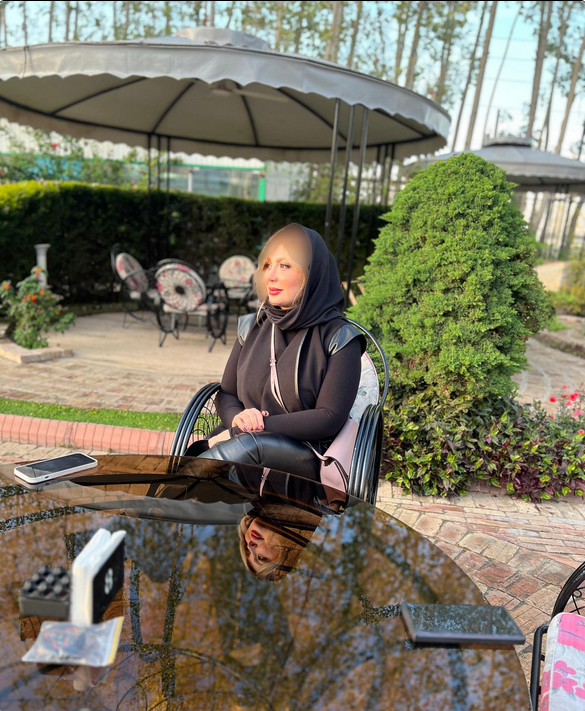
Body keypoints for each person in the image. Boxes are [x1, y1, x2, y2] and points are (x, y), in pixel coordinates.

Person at [188, 223, 366, 482]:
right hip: (236, 447)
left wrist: (256, 427)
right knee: (219, 463)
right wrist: (238, 418)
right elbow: (226, 393)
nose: (270, 276)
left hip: (304, 460)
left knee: (225, 458)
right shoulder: (253, 326)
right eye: (267, 265)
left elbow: (329, 417)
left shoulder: (340, 338)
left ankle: (178, 486)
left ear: (312, 273)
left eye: (284, 265)